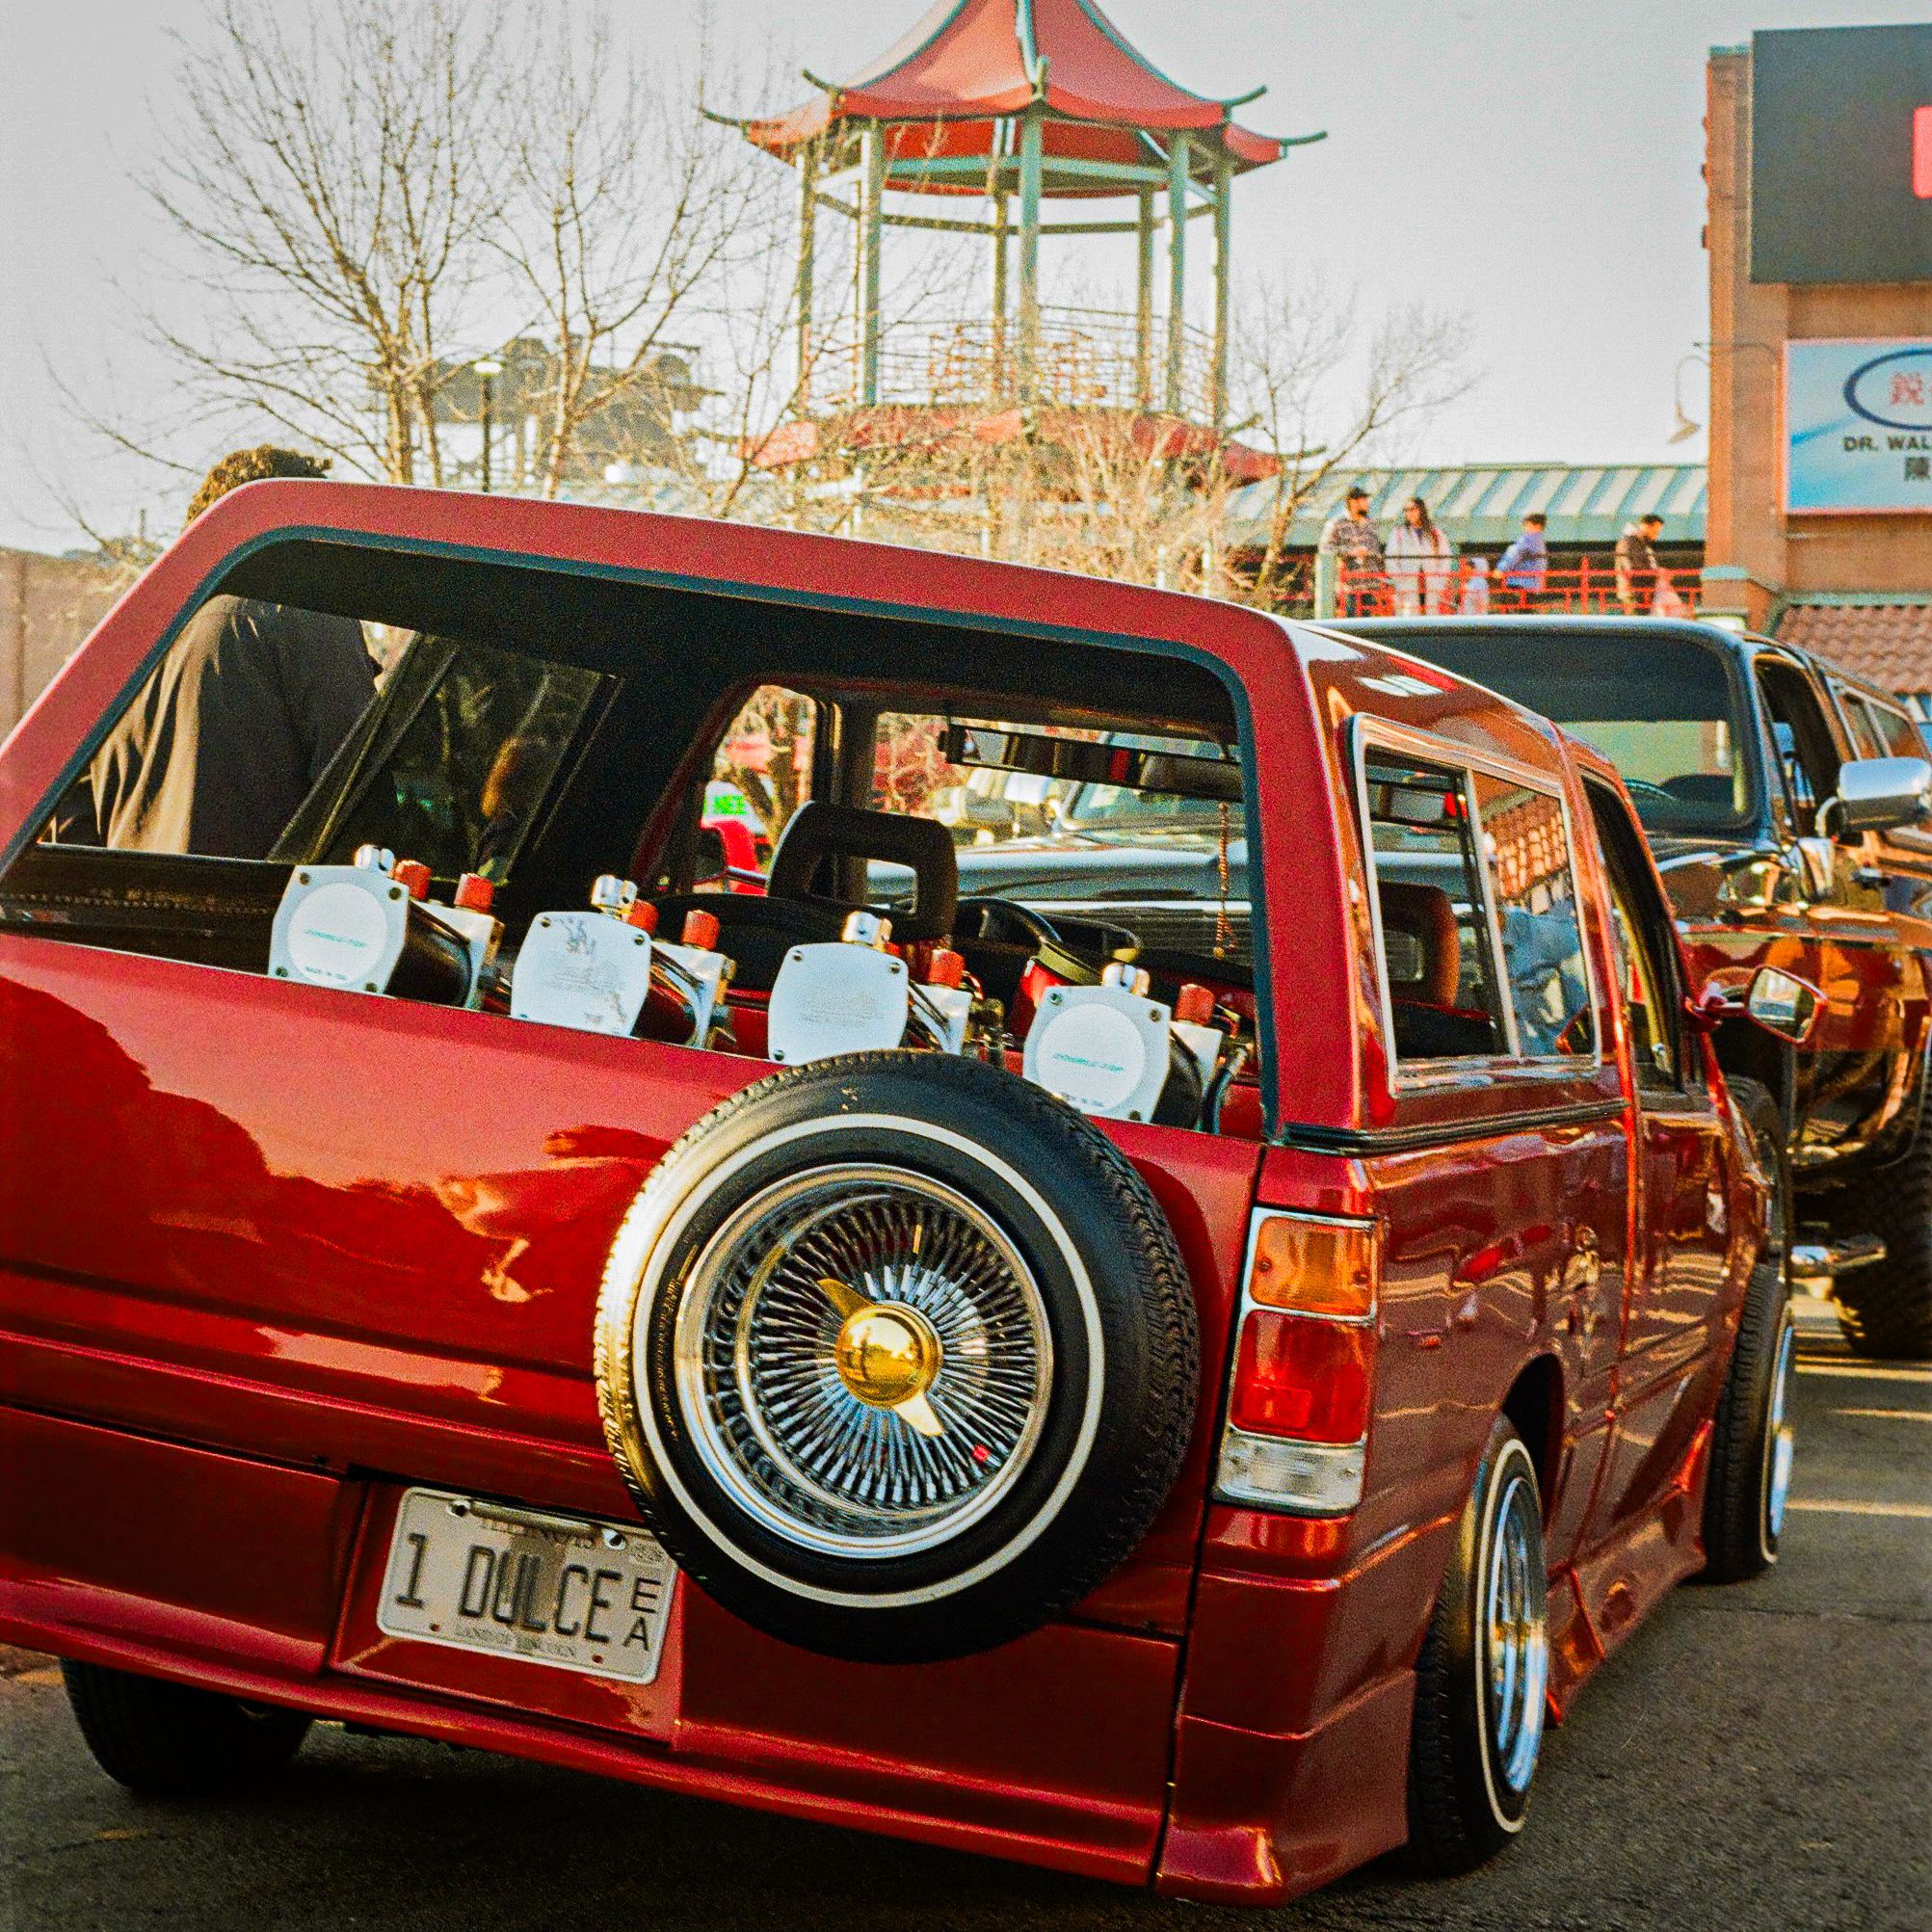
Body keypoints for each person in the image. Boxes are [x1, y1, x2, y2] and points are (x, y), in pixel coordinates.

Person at [58, 447, 376, 859]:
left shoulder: (120, 650)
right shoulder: (302, 618)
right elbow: (359, 802)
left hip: (130, 916)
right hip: (262, 918)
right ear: (292, 533)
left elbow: (68, 837)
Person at [1319, 484, 1386, 616]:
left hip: (1371, 585)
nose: (1368, 504)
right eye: (1364, 500)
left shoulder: (1370, 524)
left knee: (1370, 626)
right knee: (1352, 622)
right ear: (1353, 502)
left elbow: (1377, 550)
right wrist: (1350, 552)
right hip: (1350, 587)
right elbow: (1325, 548)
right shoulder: (1336, 523)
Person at [1385, 496, 1454, 616]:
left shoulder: (1435, 534)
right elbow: (1390, 559)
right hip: (1407, 585)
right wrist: (1399, 579)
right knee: (1407, 620)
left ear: (1421, 510)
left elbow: (1445, 559)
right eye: (1406, 510)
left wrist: (1440, 581)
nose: (1409, 513)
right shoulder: (1399, 533)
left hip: (1431, 585)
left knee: (1431, 618)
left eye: (1412, 509)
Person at [1615, 513, 1666, 616]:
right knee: (1637, 626)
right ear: (1646, 526)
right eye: (1655, 532)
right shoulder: (1630, 543)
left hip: (1639, 592)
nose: (1655, 537)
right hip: (1634, 593)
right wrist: (1657, 573)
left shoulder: (1638, 543)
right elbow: (1632, 568)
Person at [1495, 512, 1549, 608]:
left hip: (1519, 582)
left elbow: (1514, 555)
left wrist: (1501, 569)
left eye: (1527, 524)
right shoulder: (1540, 542)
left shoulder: (1527, 539)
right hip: (1534, 584)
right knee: (1526, 611)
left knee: (1510, 612)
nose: (1525, 527)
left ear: (1537, 526)